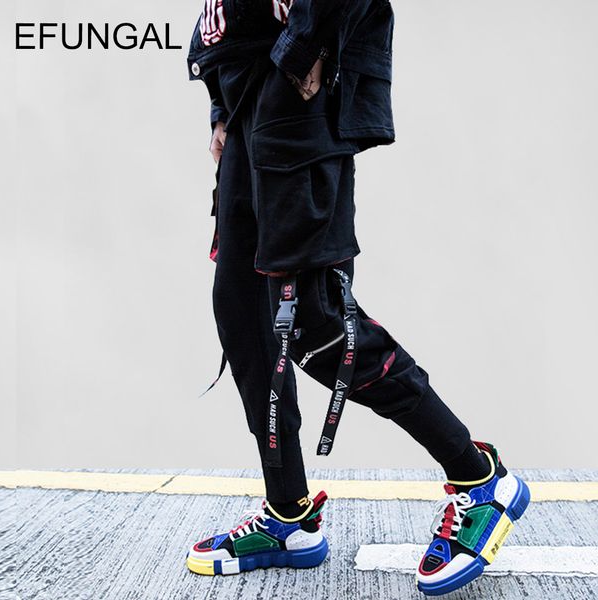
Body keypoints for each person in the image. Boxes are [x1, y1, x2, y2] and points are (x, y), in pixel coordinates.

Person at [184, 0, 530, 595]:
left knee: (314, 324)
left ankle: (480, 478)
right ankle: (289, 517)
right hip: (247, 94)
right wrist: (220, 100)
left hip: (297, 96)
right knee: (243, 314)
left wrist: (307, 46)